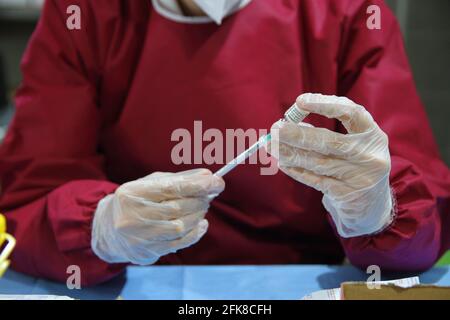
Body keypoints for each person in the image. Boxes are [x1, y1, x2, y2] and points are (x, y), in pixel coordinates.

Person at [0, 0, 449, 286]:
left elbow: (424, 225)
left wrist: (378, 209)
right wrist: (100, 226)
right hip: (134, 280)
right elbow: (26, 201)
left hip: (312, 280)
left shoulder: (347, 14)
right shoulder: (84, 15)